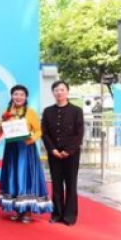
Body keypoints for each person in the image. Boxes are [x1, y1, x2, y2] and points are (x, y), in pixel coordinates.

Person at [0, 85, 53, 223]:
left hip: (26, 149)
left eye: (21, 94)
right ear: (12, 96)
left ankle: (27, 211)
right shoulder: (7, 112)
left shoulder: (30, 112)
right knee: (13, 176)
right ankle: (17, 209)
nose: (18, 97)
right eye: (16, 94)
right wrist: (3, 119)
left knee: (25, 177)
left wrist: (31, 139)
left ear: (26, 97)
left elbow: (39, 131)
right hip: (11, 149)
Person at [41, 80, 84, 226]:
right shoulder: (48, 111)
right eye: (56, 90)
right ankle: (56, 214)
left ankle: (70, 216)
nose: (59, 92)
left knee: (71, 184)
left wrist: (68, 151)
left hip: (72, 153)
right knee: (56, 184)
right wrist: (52, 149)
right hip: (54, 153)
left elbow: (79, 133)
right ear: (53, 93)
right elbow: (45, 133)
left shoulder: (77, 111)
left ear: (67, 91)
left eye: (62, 90)